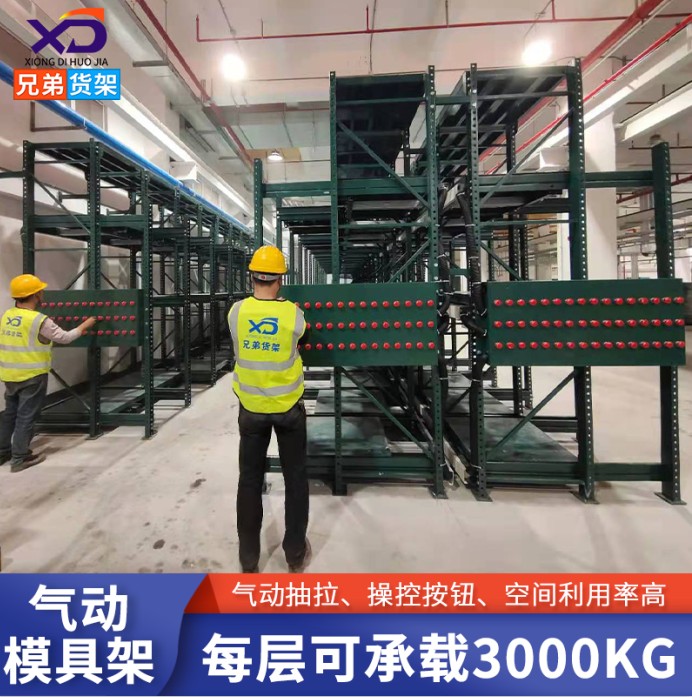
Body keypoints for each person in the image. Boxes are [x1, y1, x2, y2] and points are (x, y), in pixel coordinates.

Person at [227, 245, 311, 574]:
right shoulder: (293, 314)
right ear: (280, 280)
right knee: (295, 478)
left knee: (249, 480)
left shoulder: (236, 312)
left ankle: (249, 559)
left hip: (250, 410)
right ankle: (294, 553)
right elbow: (303, 336)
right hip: (289, 408)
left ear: (252, 276)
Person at [0, 274, 97, 472]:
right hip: (32, 376)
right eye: (40, 291)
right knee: (27, 416)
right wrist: (85, 325)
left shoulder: (8, 315)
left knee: (10, 414)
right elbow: (65, 337)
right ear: (36, 294)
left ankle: (3, 452)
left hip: (10, 375)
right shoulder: (39, 320)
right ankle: (19, 458)